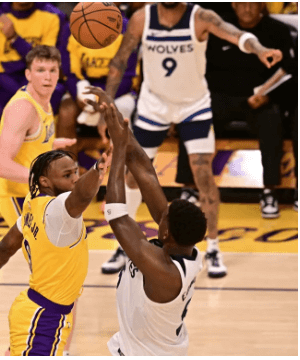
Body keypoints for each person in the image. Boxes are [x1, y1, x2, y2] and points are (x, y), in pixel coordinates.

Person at [103, 2, 283, 278]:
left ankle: (212, 247)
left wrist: (259, 49)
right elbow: (120, 59)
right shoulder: (142, 18)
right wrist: (109, 103)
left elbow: (235, 34)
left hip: (193, 106)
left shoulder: (200, 17)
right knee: (132, 176)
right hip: (154, 105)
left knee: (203, 175)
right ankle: (123, 245)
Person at [85, 86, 207, 356]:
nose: (162, 213)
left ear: (166, 234)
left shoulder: (164, 270)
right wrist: (113, 116)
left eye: (165, 216)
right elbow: (144, 169)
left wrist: (117, 151)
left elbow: (117, 216)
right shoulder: (183, 246)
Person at [0, 146, 110, 356]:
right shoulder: (58, 210)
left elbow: (6, 246)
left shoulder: (33, 203)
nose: (75, 179)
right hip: (44, 317)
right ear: (45, 181)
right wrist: (97, 169)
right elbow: (82, 196)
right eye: (67, 175)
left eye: (76, 172)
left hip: (35, 309)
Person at [174, 2, 294, 219]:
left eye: (252, 4)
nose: (247, 9)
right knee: (192, 118)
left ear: (262, 6)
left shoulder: (278, 31)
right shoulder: (220, 29)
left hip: (259, 100)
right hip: (219, 97)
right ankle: (189, 186)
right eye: (242, 4)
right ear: (233, 5)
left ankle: (269, 191)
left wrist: (269, 96)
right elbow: (200, 68)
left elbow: (290, 72)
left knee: (272, 121)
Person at [0, 2, 69, 214]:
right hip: (11, 83)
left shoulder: (52, 16)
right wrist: (29, 92)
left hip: (35, 81)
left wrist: (15, 40)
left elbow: (44, 58)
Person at [0, 45, 76, 228]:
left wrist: (52, 143)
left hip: (35, 193)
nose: (47, 77)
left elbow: (30, 139)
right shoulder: (23, 108)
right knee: (43, 253)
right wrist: (46, 179)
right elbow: (0, 165)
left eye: (52, 70)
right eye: (40, 70)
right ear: (28, 74)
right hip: (16, 195)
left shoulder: (43, 98)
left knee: (57, 250)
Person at [59, 3, 139, 151]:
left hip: (120, 89)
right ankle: (67, 165)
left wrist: (103, 98)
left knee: (120, 111)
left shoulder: (127, 28)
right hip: (86, 87)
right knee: (66, 111)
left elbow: (128, 75)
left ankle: (122, 164)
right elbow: (70, 73)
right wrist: (83, 95)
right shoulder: (71, 27)